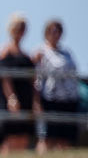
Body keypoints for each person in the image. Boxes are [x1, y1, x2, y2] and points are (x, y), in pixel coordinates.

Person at [33, 19, 81, 150]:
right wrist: (36, 101)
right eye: (52, 31)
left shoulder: (66, 53)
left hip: (69, 99)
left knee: (65, 136)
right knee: (47, 135)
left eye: (58, 31)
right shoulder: (40, 52)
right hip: (50, 99)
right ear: (46, 32)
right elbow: (36, 78)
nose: (55, 34)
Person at [0, 13, 40, 155]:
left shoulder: (27, 56)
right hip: (12, 99)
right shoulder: (5, 52)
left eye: (22, 28)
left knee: (24, 135)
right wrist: (11, 97)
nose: (20, 32)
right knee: (11, 135)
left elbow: (33, 80)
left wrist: (35, 101)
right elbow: (5, 77)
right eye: (17, 28)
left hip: (26, 98)